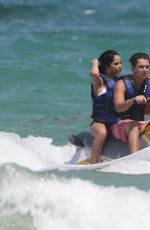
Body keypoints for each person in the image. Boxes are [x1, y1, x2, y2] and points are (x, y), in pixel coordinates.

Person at [111, 52, 150, 153]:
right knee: (134, 125)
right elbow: (118, 108)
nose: (145, 70)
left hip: (141, 123)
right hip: (118, 125)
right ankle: (134, 159)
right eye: (141, 67)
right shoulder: (122, 83)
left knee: (137, 124)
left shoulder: (149, 83)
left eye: (147, 67)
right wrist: (133, 100)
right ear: (133, 68)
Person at [90, 50, 122, 163]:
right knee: (102, 133)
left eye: (120, 63)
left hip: (116, 121)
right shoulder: (100, 82)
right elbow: (94, 74)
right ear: (107, 66)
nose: (120, 66)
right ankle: (93, 163)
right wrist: (94, 63)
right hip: (99, 122)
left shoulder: (120, 81)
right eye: (116, 64)